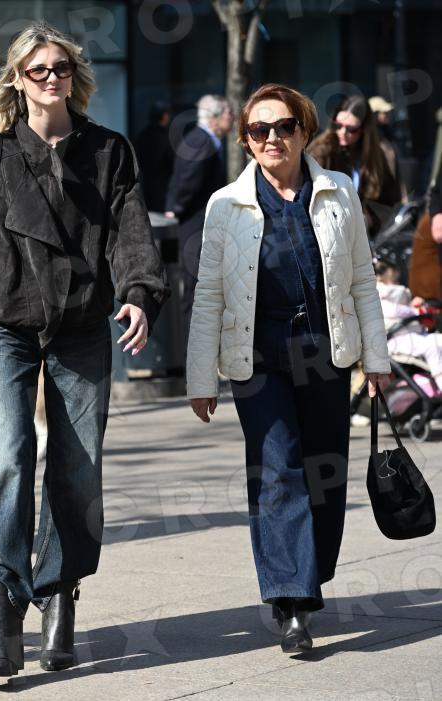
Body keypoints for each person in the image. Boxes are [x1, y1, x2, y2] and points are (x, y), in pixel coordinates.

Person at [0, 22, 169, 677]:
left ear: (74, 76)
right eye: (37, 69)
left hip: (82, 324)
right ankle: (4, 596)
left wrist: (140, 293)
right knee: (9, 455)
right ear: (17, 79)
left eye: (60, 67)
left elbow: (131, 233)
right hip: (5, 326)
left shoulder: (108, 150)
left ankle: (60, 589)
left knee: (77, 465)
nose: (51, 78)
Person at [187, 83, 390, 654]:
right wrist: (201, 377)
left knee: (324, 473)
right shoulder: (225, 204)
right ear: (247, 140)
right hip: (258, 358)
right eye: (259, 129)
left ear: (304, 131)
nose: (272, 137)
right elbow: (209, 293)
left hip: (325, 350)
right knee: (278, 470)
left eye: (283, 127)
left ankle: (305, 573)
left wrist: (376, 358)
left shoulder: (338, 191)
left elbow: (361, 280)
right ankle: (293, 601)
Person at [164, 94, 233, 346]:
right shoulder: (201, 141)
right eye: (229, 113)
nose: (233, 119)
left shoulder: (200, 139)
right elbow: (187, 182)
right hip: (195, 227)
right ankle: (189, 350)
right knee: (194, 289)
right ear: (216, 116)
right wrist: (175, 210)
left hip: (196, 225)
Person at [308, 94, 402, 237]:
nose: (342, 132)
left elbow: (388, 201)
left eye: (351, 129)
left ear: (364, 129)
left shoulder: (376, 155)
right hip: (326, 232)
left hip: (364, 236)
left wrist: (370, 218)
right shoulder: (320, 152)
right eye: (338, 125)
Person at [376, 258, 442, 394]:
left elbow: (399, 310)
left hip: (408, 336)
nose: (397, 283)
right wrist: (416, 311)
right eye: (394, 280)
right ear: (380, 278)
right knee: (433, 346)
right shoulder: (378, 294)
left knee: (437, 341)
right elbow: (394, 310)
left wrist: (413, 307)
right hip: (395, 341)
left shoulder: (393, 295)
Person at [134, 101, 175, 212]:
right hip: (163, 186)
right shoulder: (166, 137)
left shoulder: (143, 134)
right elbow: (172, 161)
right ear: (165, 116)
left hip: (145, 183)